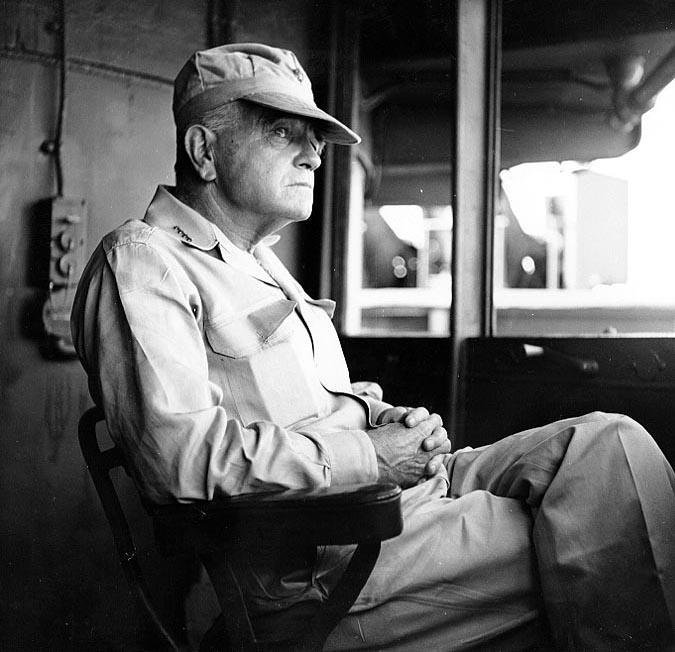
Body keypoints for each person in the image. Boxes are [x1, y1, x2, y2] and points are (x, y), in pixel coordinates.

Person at [71, 43, 675, 652]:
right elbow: (178, 464)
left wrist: (385, 419)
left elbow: (314, 404)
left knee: (611, 444)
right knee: (605, 534)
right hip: (331, 561)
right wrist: (372, 456)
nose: (313, 154)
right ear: (205, 151)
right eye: (283, 132)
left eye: (313, 137)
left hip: (393, 505)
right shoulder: (145, 263)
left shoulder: (260, 265)